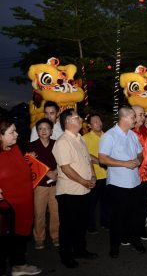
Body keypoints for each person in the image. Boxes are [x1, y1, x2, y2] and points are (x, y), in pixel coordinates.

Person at [52, 109, 98, 268]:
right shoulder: (63, 141)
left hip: (84, 190)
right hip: (69, 192)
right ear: (67, 122)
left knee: (81, 224)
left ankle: (80, 250)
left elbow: (87, 159)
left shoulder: (79, 138)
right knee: (68, 226)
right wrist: (84, 181)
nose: (80, 120)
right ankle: (66, 257)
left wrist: (92, 176)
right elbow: (65, 168)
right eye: (77, 118)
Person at [99, 106, 145, 258]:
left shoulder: (132, 135)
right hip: (118, 185)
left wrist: (138, 160)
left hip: (135, 182)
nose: (136, 120)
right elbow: (102, 158)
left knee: (135, 215)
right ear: (124, 118)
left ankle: (135, 240)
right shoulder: (109, 136)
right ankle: (114, 246)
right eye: (133, 117)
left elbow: (140, 153)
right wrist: (125, 163)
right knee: (117, 217)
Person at [0, 117, 42, 276]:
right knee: (4, 241)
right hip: (6, 209)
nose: (16, 134)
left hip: (23, 205)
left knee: (20, 238)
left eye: (16, 130)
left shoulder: (15, 148)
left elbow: (14, 169)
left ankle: (19, 266)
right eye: (12, 132)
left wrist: (28, 159)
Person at [28, 118, 59, 250]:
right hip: (40, 185)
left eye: (46, 128)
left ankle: (55, 235)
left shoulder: (57, 144)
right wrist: (48, 173)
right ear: (37, 131)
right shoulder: (32, 146)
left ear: (51, 131)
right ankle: (39, 238)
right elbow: (31, 165)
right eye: (40, 128)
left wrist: (55, 172)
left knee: (55, 212)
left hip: (56, 184)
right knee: (39, 213)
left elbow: (63, 161)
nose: (43, 131)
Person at [83, 114, 109, 234]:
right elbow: (86, 155)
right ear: (89, 125)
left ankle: (105, 222)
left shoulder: (108, 136)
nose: (98, 123)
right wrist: (101, 161)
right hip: (94, 176)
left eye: (99, 120)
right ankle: (90, 225)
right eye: (95, 122)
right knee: (91, 203)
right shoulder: (85, 138)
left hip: (108, 175)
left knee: (106, 202)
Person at [132, 106, 147, 241]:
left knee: (143, 204)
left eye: (143, 114)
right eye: (139, 115)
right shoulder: (128, 132)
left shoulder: (146, 131)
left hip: (145, 174)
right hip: (131, 175)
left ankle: (140, 228)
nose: (142, 117)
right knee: (131, 205)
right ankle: (129, 230)